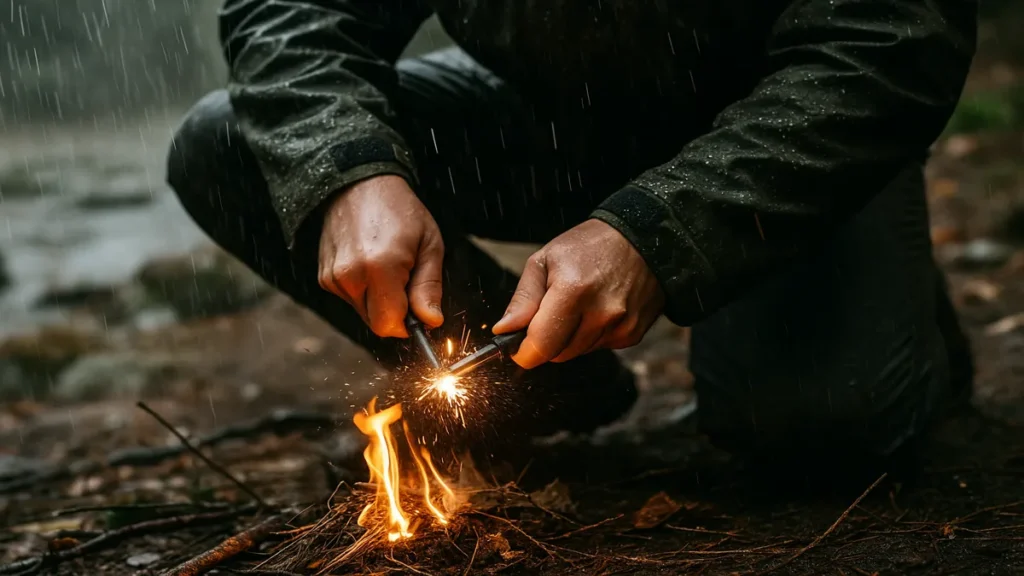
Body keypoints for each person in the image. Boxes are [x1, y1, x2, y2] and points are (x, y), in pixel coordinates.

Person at [168, 0, 978, 475]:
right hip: (548, 120)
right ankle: (534, 384)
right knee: (229, 143)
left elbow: (888, 43)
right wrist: (349, 174)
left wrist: (658, 235)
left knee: (816, 434)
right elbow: (296, 11)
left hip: (786, 127)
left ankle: (887, 300)